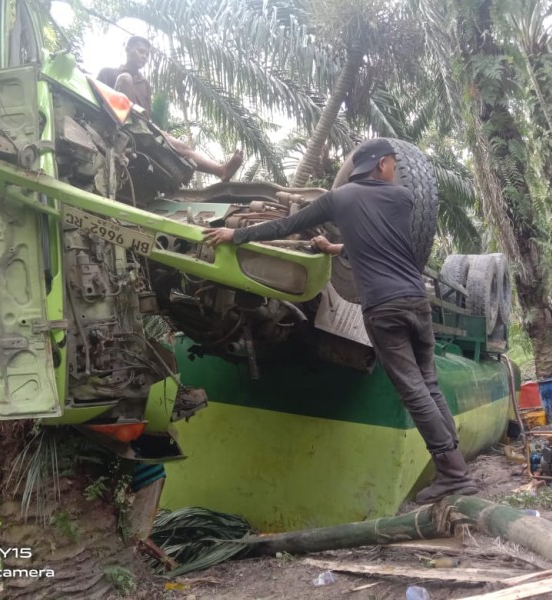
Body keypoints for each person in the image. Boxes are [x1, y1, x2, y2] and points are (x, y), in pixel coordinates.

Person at [203, 138, 478, 504]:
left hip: (383, 306)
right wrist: (334, 249)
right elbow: (381, 243)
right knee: (428, 383)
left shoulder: (339, 199)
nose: (396, 169)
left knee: (412, 389)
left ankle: (453, 475)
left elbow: (287, 224)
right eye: (394, 164)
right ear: (380, 166)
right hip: (416, 302)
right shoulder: (402, 199)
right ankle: (457, 464)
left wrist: (236, 234)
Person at [97, 36, 243, 181]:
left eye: (147, 54)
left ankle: (220, 170)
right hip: (115, 123)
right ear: (128, 49)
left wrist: (157, 131)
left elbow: (145, 115)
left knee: (180, 146)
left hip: (142, 128)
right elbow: (96, 103)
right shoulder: (108, 73)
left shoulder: (145, 84)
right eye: (140, 51)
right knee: (125, 79)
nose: (144, 56)